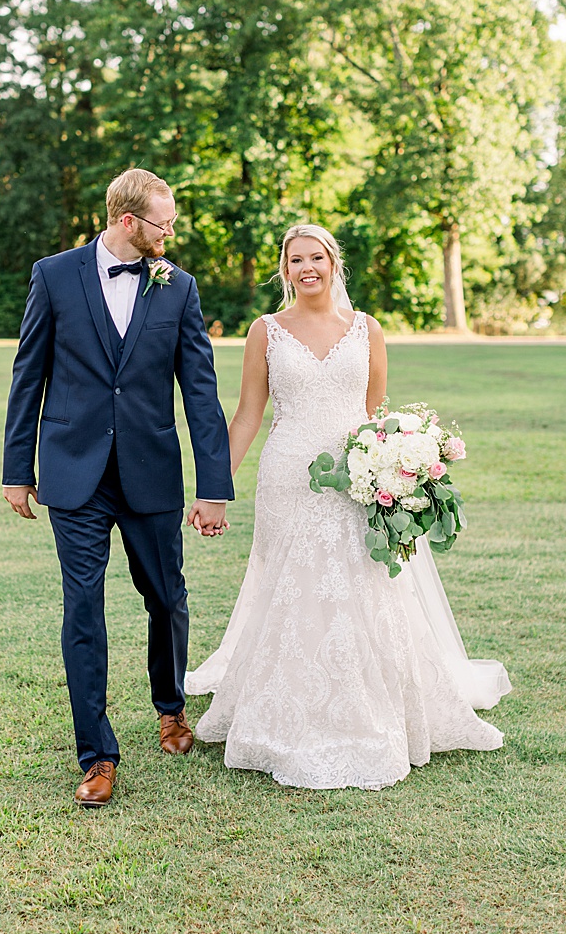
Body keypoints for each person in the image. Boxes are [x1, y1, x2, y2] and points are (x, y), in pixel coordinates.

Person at [185, 223, 509, 789]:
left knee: (362, 585)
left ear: (334, 263)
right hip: (288, 476)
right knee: (293, 585)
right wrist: (215, 489)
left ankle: (369, 704)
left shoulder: (366, 329)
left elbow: (372, 412)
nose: (306, 268)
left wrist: (390, 466)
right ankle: (287, 705)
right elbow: (248, 415)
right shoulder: (265, 331)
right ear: (284, 270)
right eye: (295, 260)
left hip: (355, 477)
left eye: (316, 257)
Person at [1, 168, 234, 808]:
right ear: (128, 221)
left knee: (167, 598)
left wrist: (213, 486)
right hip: (73, 474)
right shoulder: (53, 276)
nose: (171, 233)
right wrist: (17, 470)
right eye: (164, 222)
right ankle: (97, 755)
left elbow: (201, 392)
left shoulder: (178, 287)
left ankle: (170, 706)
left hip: (150, 471)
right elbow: (28, 375)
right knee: (83, 609)